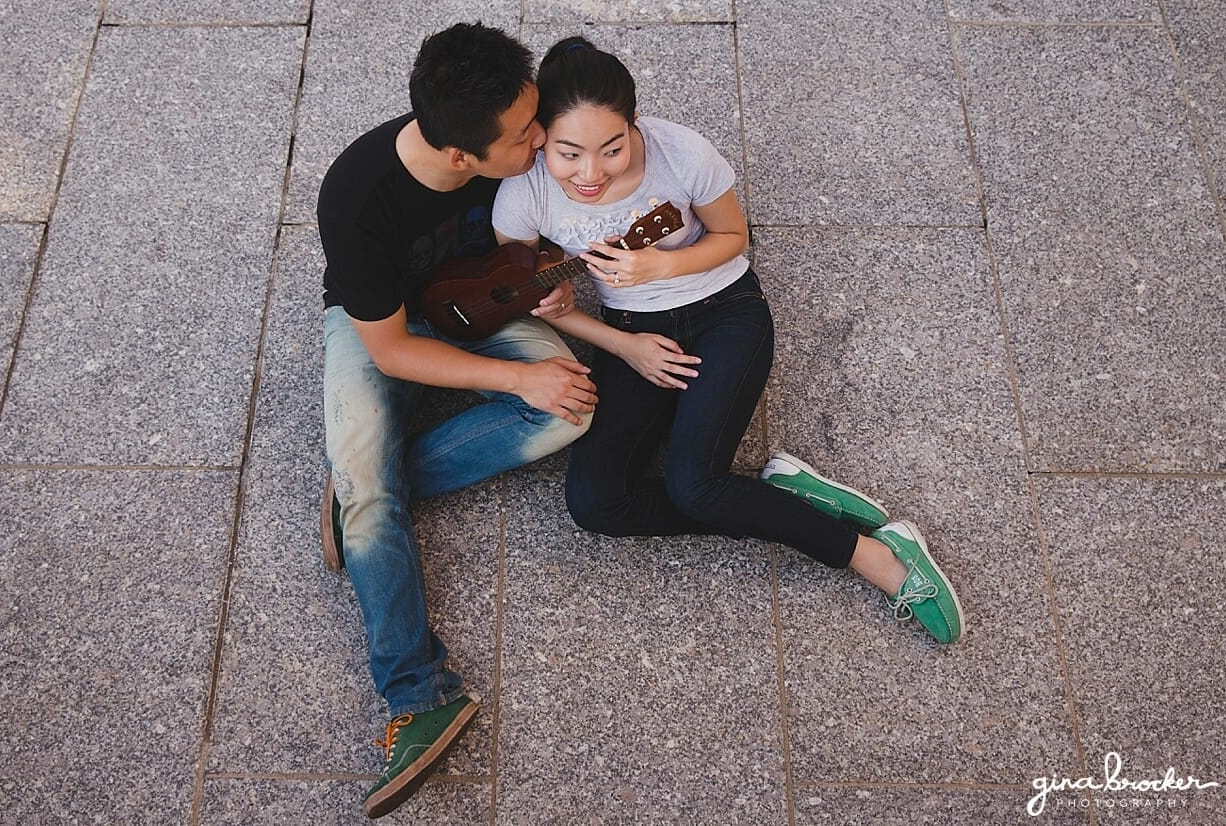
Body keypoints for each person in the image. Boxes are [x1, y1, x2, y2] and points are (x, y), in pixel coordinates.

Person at [492, 37, 964, 648]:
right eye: (568, 153)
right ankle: (782, 501)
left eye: (611, 148)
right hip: (630, 333)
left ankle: (877, 558)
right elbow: (535, 301)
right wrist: (620, 344)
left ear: (634, 123)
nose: (590, 173)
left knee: (695, 483)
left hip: (724, 313)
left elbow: (733, 236)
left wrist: (660, 266)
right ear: (540, 138)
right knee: (595, 504)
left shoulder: (682, 153)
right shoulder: (524, 194)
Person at [316, 23, 596, 819]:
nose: (542, 140)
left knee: (570, 409)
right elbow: (393, 350)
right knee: (370, 492)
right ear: (462, 157)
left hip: (484, 301)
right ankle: (421, 696)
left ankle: (366, 495)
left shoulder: (516, 139)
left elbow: (554, 223)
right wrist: (518, 377)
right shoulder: (357, 198)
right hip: (384, 327)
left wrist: (553, 283)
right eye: (525, 134)